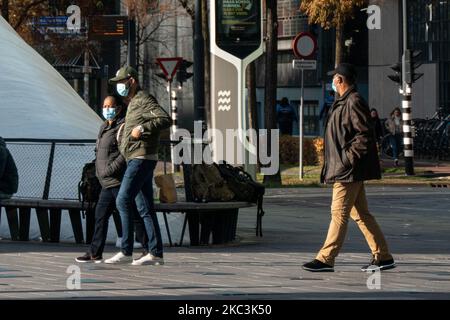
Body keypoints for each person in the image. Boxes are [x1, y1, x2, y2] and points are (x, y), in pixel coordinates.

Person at [302, 63, 395, 272]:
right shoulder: (342, 101)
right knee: (360, 214)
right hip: (347, 168)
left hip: (348, 170)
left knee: (338, 212)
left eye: (333, 78)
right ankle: (383, 256)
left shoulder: (353, 101)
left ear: (340, 80)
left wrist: (347, 159)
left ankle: (326, 258)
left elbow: (364, 136)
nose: (331, 82)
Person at [105, 66, 171, 266]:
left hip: (141, 158)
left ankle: (126, 250)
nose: (118, 87)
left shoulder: (143, 99)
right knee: (145, 208)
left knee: (123, 200)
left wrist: (142, 128)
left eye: (121, 82)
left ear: (131, 81)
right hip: (137, 157)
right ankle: (155, 252)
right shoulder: (133, 102)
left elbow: (164, 119)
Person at [75, 96, 148, 263]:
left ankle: (147, 248)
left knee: (131, 213)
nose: (107, 109)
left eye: (110, 106)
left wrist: (110, 170)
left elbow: (124, 153)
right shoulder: (104, 126)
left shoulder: (121, 127)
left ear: (119, 108)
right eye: (104, 105)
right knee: (101, 215)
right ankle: (95, 252)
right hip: (106, 182)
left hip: (118, 179)